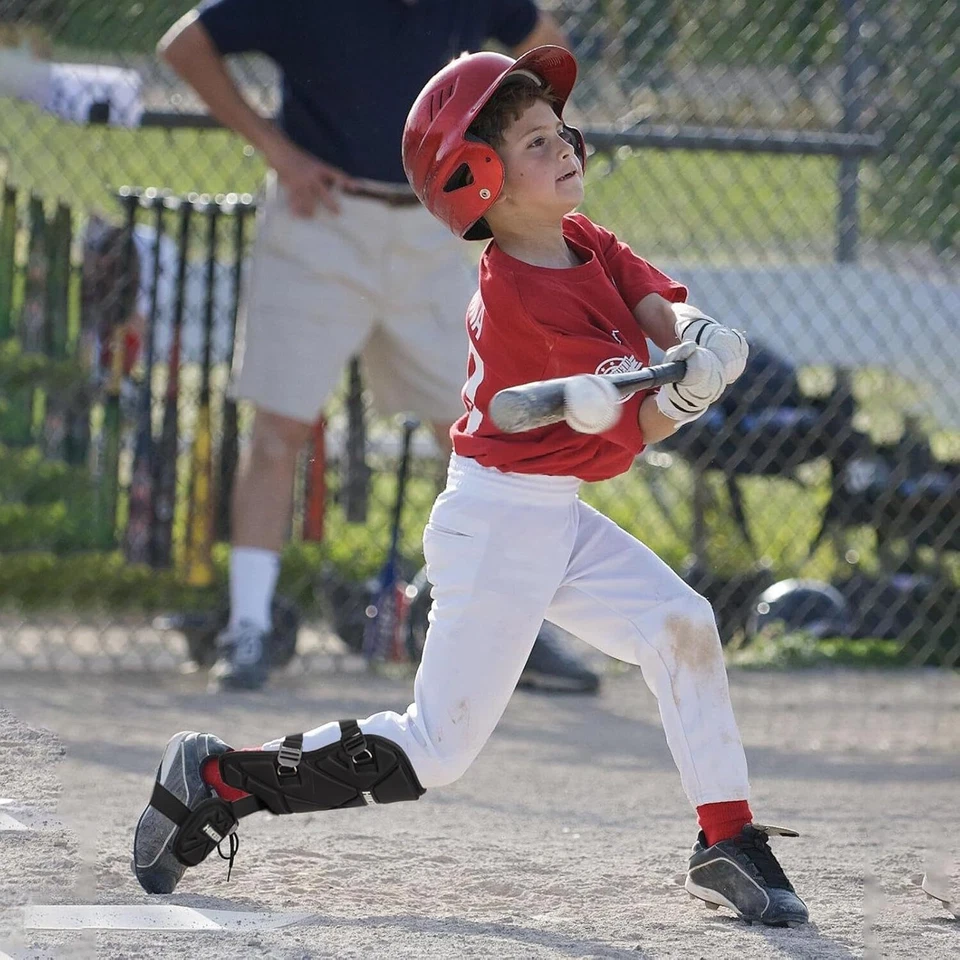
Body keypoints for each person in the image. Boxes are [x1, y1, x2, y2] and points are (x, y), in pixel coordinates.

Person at [133, 46, 808, 927]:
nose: (566, 146)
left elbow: (651, 298)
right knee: (435, 750)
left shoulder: (581, 239)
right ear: (479, 178)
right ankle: (216, 780)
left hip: (550, 514)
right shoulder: (520, 302)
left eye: (561, 130)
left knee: (681, 624)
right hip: (498, 526)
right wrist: (678, 402)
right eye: (536, 142)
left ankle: (727, 839)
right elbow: (611, 448)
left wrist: (698, 332)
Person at [157, 0, 600, 694]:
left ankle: (515, 627)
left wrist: (504, 159)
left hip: (432, 229)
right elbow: (185, 45)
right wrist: (277, 151)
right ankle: (248, 626)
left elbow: (544, 43)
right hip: (320, 220)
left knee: (483, 433)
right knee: (278, 431)